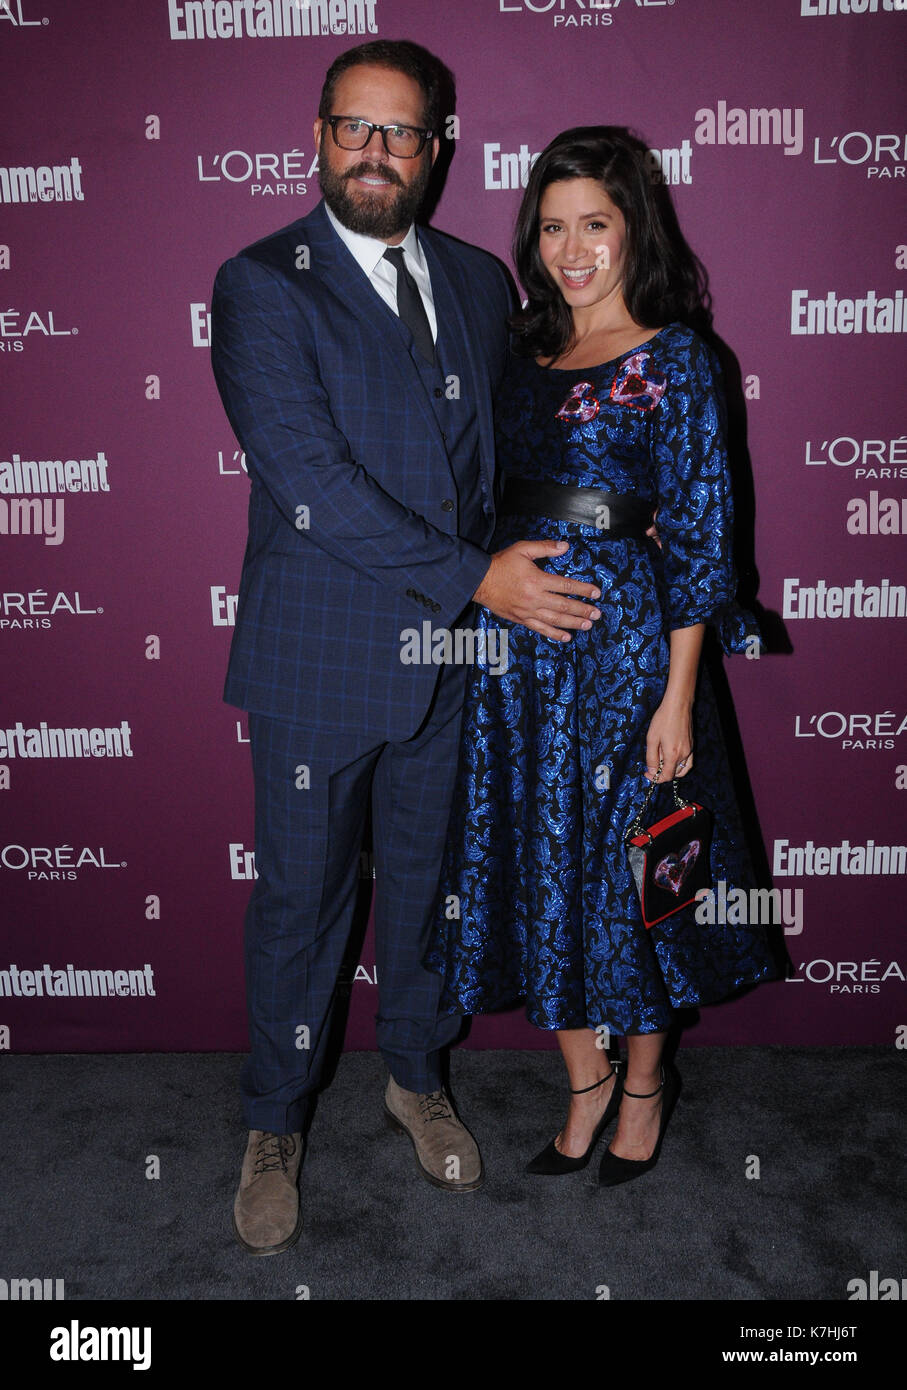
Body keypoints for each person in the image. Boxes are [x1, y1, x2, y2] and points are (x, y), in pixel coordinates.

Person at [209, 44, 604, 1254]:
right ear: (320, 136)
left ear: (437, 148)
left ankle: (415, 1075)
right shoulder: (262, 282)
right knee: (301, 905)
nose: (375, 152)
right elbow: (310, 481)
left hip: (459, 665)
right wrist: (476, 576)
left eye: (401, 133)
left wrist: (604, 550)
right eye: (353, 129)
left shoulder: (485, 281)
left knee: (431, 890)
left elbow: (512, 461)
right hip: (320, 657)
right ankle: (275, 1121)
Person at [424, 126, 780, 1188]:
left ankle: (642, 1087)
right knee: (539, 864)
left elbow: (707, 539)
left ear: (635, 231)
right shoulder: (517, 354)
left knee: (637, 875)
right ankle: (580, 1085)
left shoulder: (678, 360)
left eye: (595, 225)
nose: (572, 249)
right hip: (517, 655)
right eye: (551, 226)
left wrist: (677, 700)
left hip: (627, 658)